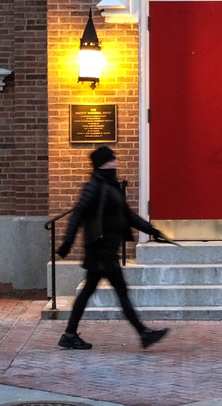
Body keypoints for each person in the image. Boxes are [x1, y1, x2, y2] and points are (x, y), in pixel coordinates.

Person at [55, 145, 171, 350]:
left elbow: (126, 215)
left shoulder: (110, 185)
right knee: (120, 291)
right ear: (103, 163)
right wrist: (67, 243)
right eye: (112, 159)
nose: (116, 162)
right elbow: (77, 214)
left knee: (91, 291)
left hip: (107, 248)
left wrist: (152, 230)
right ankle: (143, 333)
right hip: (101, 249)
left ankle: (70, 334)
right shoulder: (95, 186)